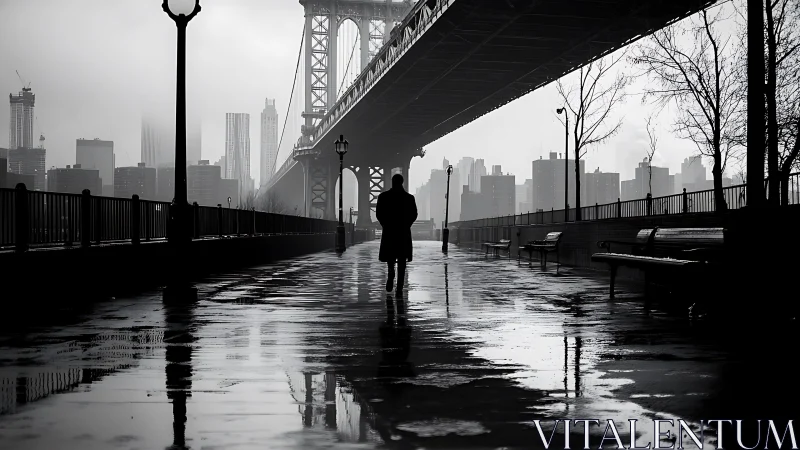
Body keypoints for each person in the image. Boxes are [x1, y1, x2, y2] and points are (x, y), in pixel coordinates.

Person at [376, 174, 418, 296]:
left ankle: (390, 275)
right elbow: (414, 214)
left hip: (389, 231)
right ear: (402, 182)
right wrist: (406, 225)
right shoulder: (409, 198)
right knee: (402, 259)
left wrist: (385, 225)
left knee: (390, 257)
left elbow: (379, 213)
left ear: (392, 182)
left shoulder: (383, 197)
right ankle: (400, 286)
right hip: (403, 232)